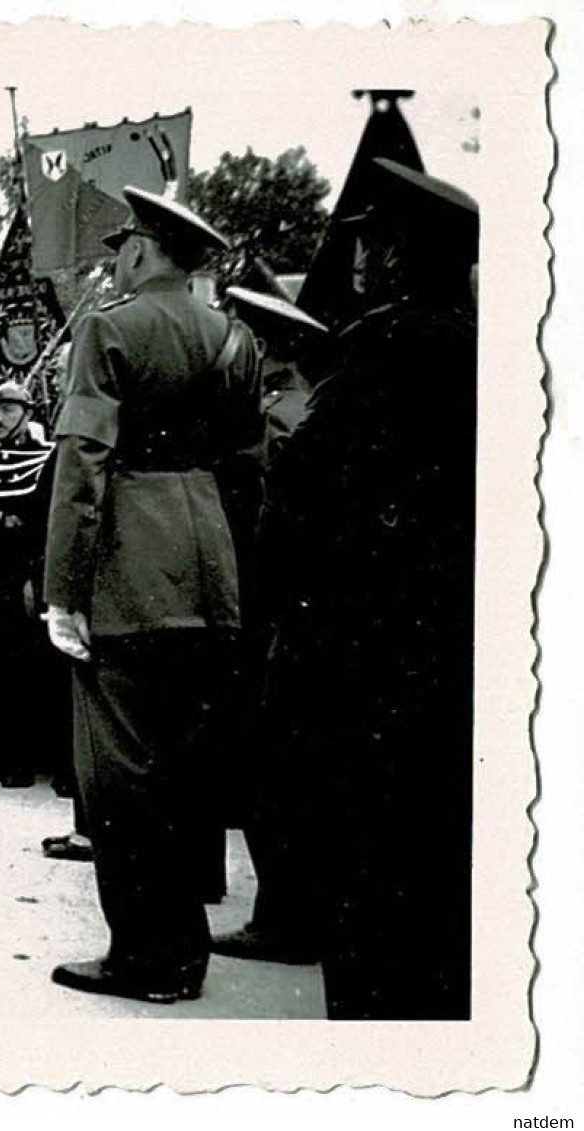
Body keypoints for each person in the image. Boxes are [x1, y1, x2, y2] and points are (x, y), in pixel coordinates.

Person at [258, 160, 477, 1018]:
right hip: (436, 655)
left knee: (373, 898)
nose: (360, 258)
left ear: (402, 254)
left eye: (375, 241)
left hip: (366, 659)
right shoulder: (471, 350)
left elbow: (305, 508)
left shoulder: (387, 354)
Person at [42, 187, 259, 1005]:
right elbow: (246, 465)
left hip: (131, 570)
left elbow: (84, 469)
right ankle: (185, 951)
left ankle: (146, 955)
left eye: (119, 246)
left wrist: (64, 589)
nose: (114, 259)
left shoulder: (109, 326)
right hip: (209, 568)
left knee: (123, 779)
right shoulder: (232, 337)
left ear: (139, 250)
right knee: (186, 771)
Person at [205, 284, 331, 967]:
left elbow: (268, 528)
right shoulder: (293, 408)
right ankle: (287, 909)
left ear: (272, 350)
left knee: (270, 770)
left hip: (270, 615)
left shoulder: (277, 421)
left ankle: (283, 917)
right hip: (286, 612)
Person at [0, 380, 59, 789]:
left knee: (23, 672)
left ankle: (22, 762)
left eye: (8, 410)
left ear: (27, 413)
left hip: (20, 574)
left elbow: (39, 522)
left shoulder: (44, 457)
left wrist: (5, 526)